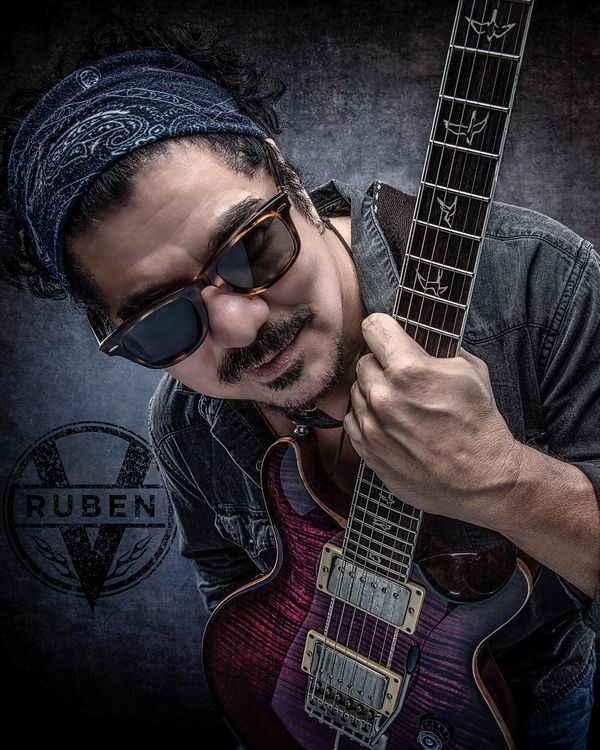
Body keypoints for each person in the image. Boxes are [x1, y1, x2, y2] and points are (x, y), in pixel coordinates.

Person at [1, 18, 598, 750]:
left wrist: (500, 480)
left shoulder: (540, 284)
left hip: (533, 707)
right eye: (163, 323)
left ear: (290, 183)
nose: (241, 326)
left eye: (251, 248)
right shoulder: (186, 423)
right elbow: (232, 581)